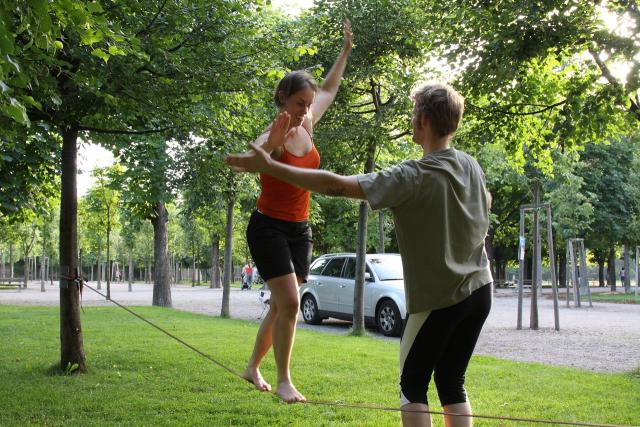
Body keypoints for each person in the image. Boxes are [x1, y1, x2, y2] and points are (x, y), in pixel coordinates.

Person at [227, 80, 493, 427]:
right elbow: (484, 206)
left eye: (414, 113)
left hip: (440, 300)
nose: (412, 119)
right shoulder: (470, 165)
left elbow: (336, 185)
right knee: (451, 382)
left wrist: (273, 167)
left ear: (424, 121)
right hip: (481, 290)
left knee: (413, 386)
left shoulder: (412, 175)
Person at [239, 19, 353, 403]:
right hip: (267, 226)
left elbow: (330, 88)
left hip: (298, 229)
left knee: (280, 305)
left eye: (308, 104)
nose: (306, 110)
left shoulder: (309, 124)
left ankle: (252, 366)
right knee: (289, 302)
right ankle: (284, 379)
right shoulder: (273, 134)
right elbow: (246, 162)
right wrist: (265, 149)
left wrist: (345, 51)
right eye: (299, 103)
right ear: (283, 100)